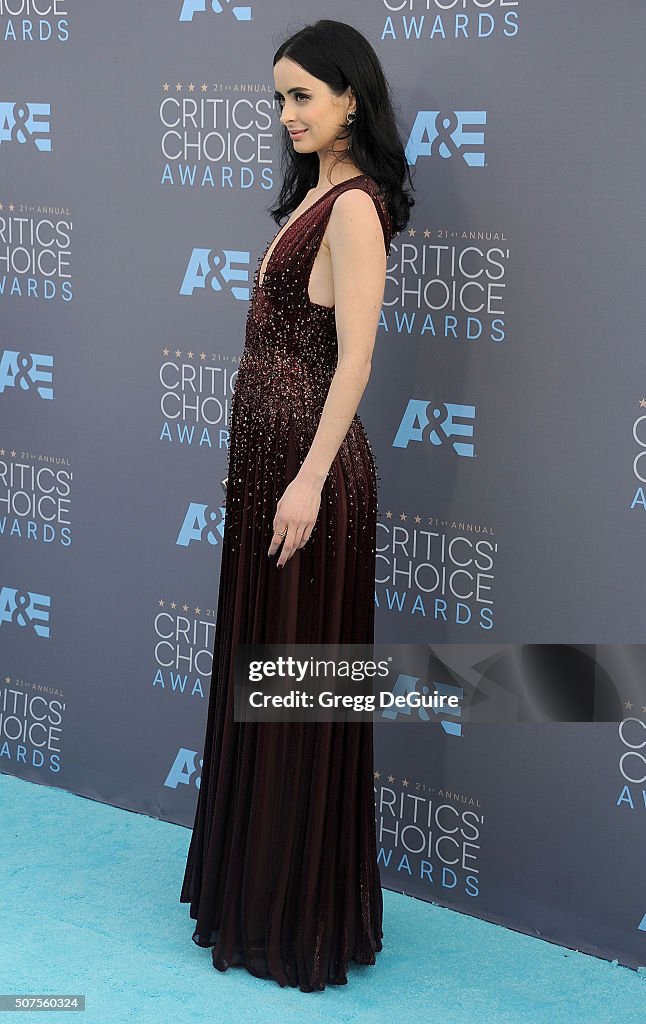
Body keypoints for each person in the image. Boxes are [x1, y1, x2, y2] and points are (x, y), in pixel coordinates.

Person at [180, 18, 414, 992]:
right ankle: (260, 892)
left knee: (295, 693)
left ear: (351, 96)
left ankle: (293, 915)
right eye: (278, 98)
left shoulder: (354, 206)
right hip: (269, 476)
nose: (286, 115)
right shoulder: (312, 194)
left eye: (303, 96)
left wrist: (311, 479)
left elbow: (354, 356)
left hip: (308, 483)